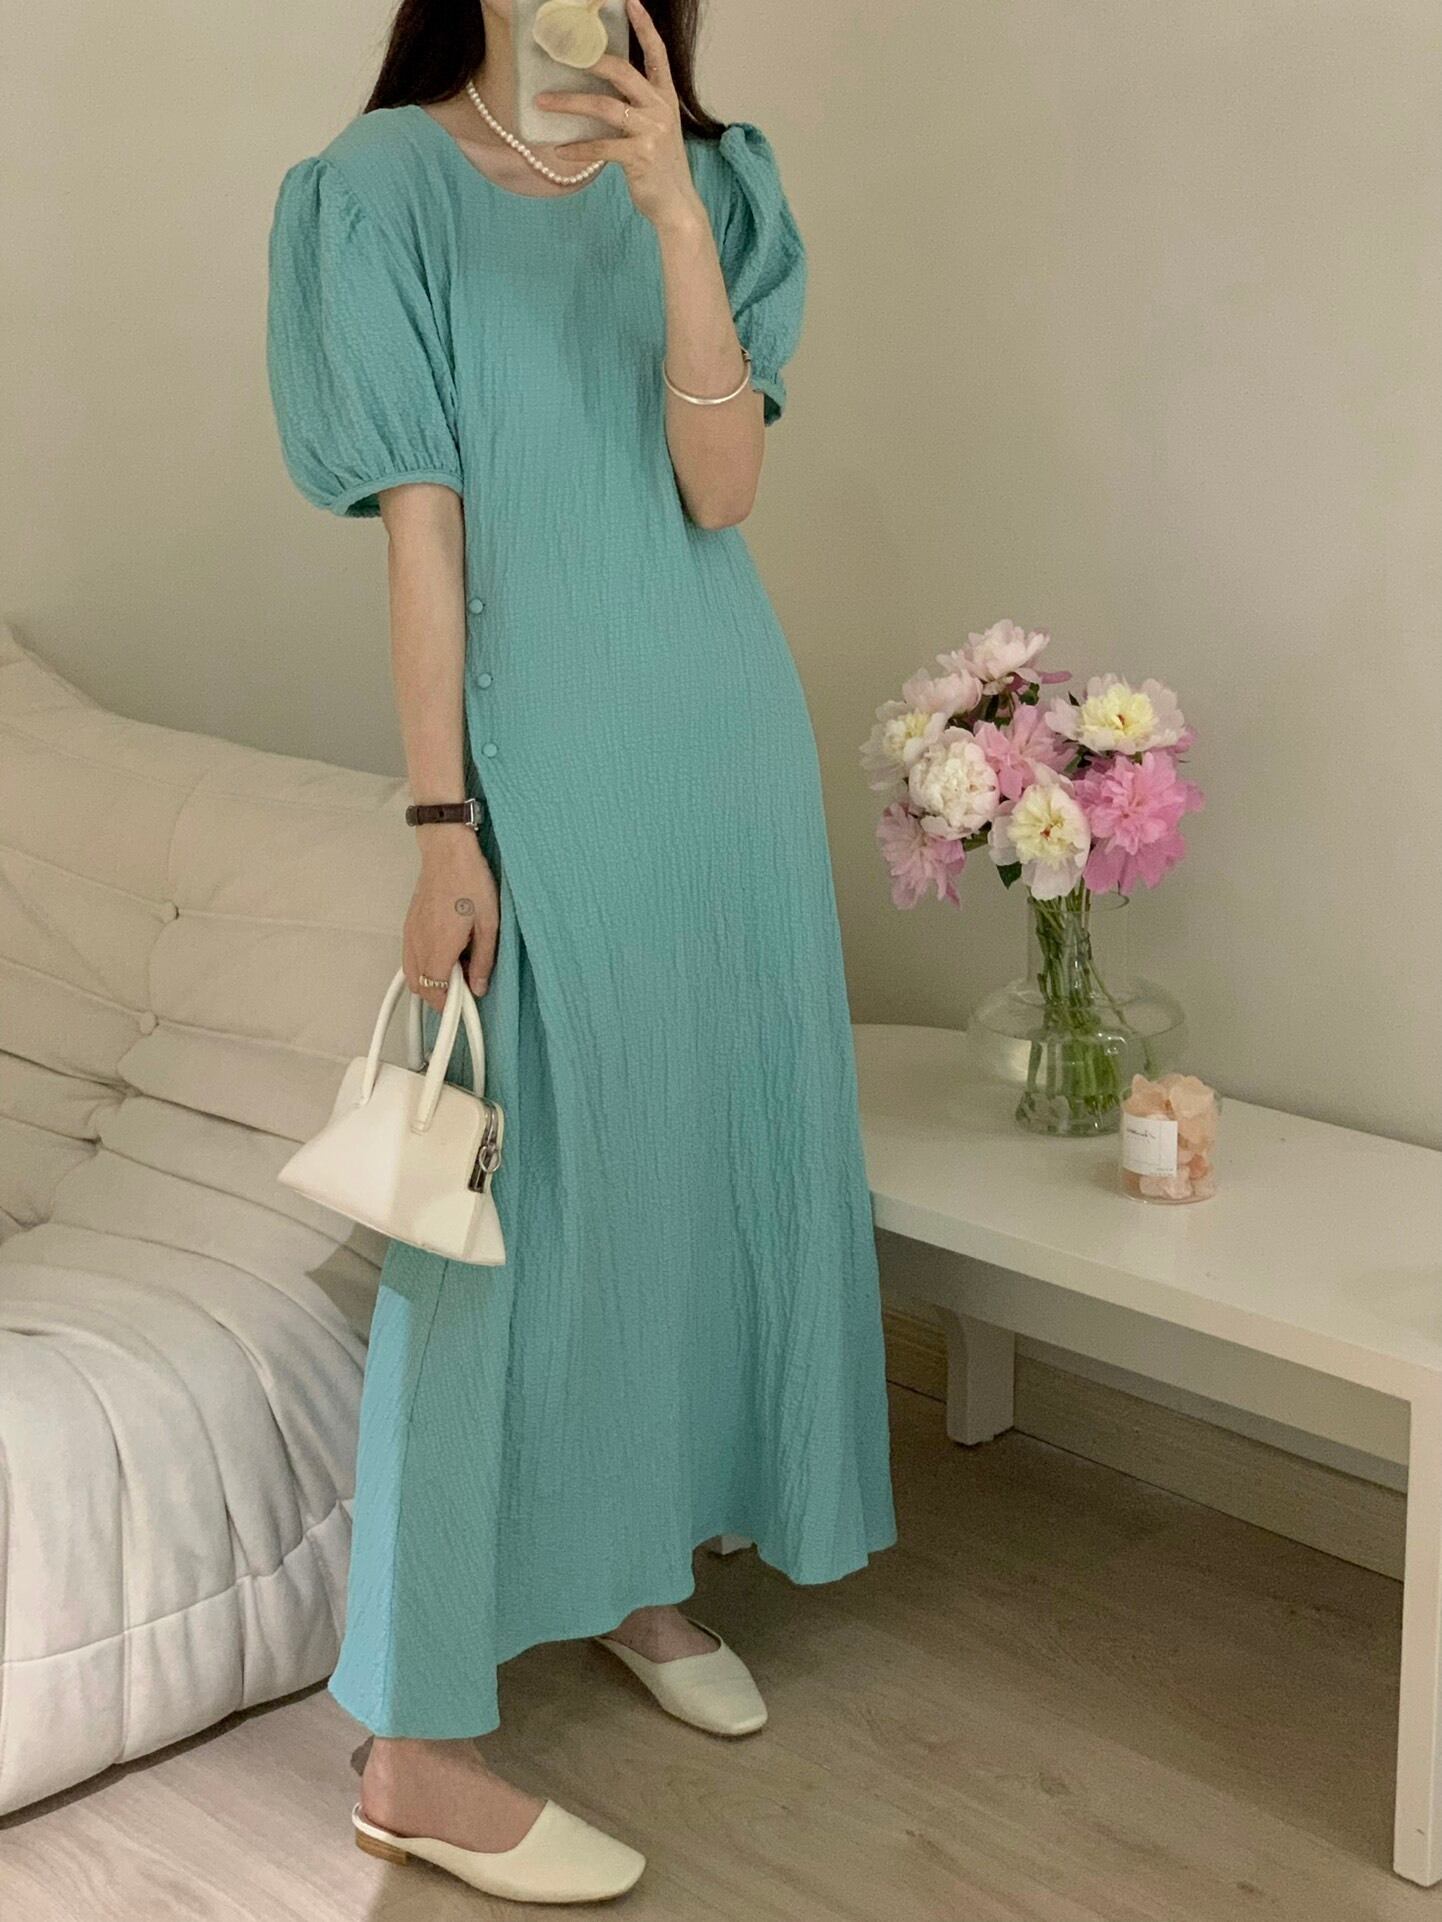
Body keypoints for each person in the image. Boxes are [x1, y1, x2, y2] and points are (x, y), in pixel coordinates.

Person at [265, 0, 896, 1900]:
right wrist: (440, 819)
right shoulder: (378, 187)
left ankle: (636, 1571)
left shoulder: (711, 180)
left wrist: (669, 213)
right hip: (534, 769)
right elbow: (422, 528)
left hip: (719, 752)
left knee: (684, 1171)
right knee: (485, 1228)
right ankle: (412, 1748)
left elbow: (721, 491)